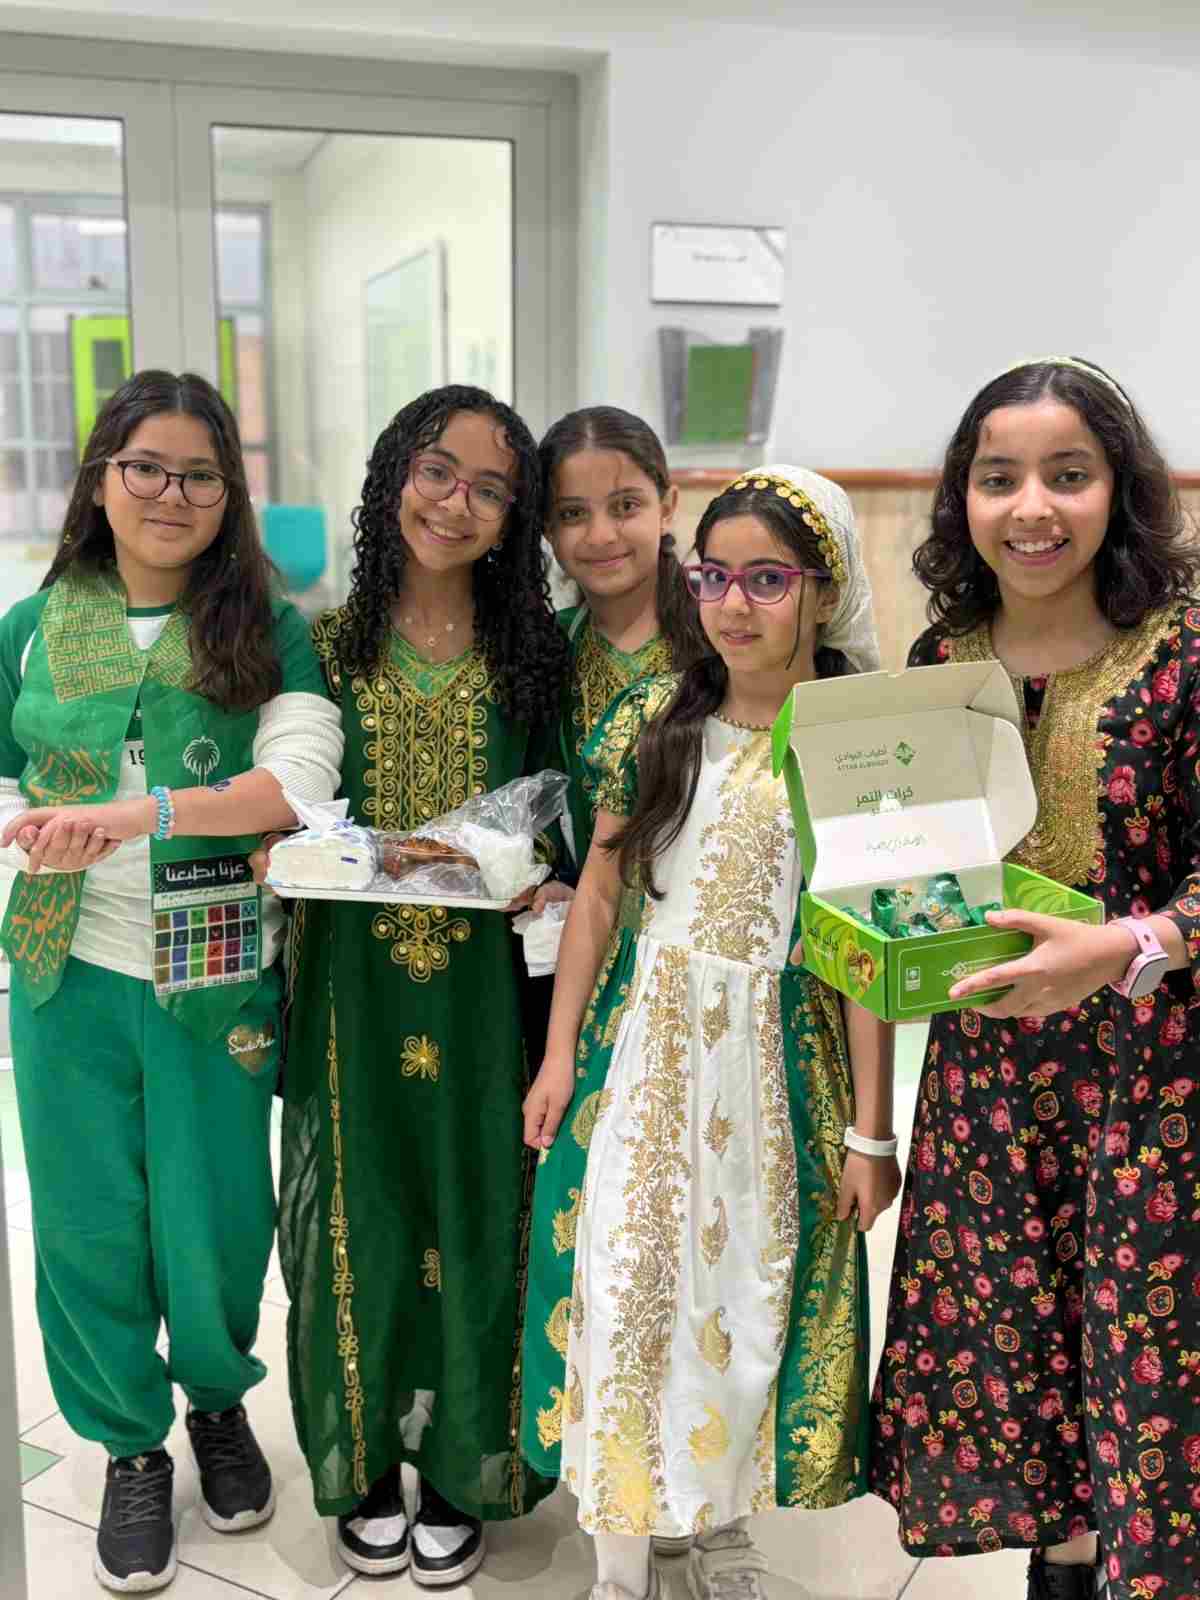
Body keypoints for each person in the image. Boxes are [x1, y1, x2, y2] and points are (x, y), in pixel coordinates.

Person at [521, 467, 898, 1600]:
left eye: (767, 579)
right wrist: (558, 1054)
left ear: (824, 589)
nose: (735, 604)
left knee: (740, 1295)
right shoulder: (658, 718)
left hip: (776, 1066)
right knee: (627, 1279)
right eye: (714, 576)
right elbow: (598, 894)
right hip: (642, 1053)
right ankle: (621, 1565)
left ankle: (717, 1519)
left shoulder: (858, 739)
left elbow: (869, 948)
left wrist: (871, 1132)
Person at [0, 370, 342, 1593]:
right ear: (101, 476)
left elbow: (295, 784)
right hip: (66, 969)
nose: (171, 493)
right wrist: (30, 830)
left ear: (229, 495)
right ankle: (131, 1446)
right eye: (145, 465)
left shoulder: (266, 627)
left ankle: (216, 1400)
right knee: (87, 1220)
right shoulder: (35, 625)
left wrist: (138, 814)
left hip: (214, 966)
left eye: (201, 474)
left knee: (216, 1214)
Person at [869, 357, 1200, 1600]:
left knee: (1149, 1364)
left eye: (1069, 474)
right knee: (1021, 1362)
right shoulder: (942, 657)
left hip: (1157, 1087)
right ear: (962, 497)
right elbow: (910, 863)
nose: (1033, 508)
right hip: (989, 1088)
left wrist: (1126, 945)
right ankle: (1059, 1569)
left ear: (1122, 488)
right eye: (999, 478)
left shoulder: (1184, 650)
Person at [274, 385, 570, 1587]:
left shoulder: (536, 655)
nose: (457, 502)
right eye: (437, 469)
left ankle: (462, 1462)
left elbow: (571, 816)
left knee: (479, 1204)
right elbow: (285, 801)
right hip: (350, 989)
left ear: (515, 517)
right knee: (364, 1207)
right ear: (393, 473)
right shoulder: (324, 646)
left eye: (492, 488)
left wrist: (546, 873)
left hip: (489, 995)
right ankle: (360, 1460)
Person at [539, 405, 704, 871]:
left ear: (666, 508)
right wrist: (548, 876)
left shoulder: (723, 634)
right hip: (582, 908)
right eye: (573, 513)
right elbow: (538, 795)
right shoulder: (546, 649)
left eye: (625, 506)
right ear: (548, 530)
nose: (601, 535)